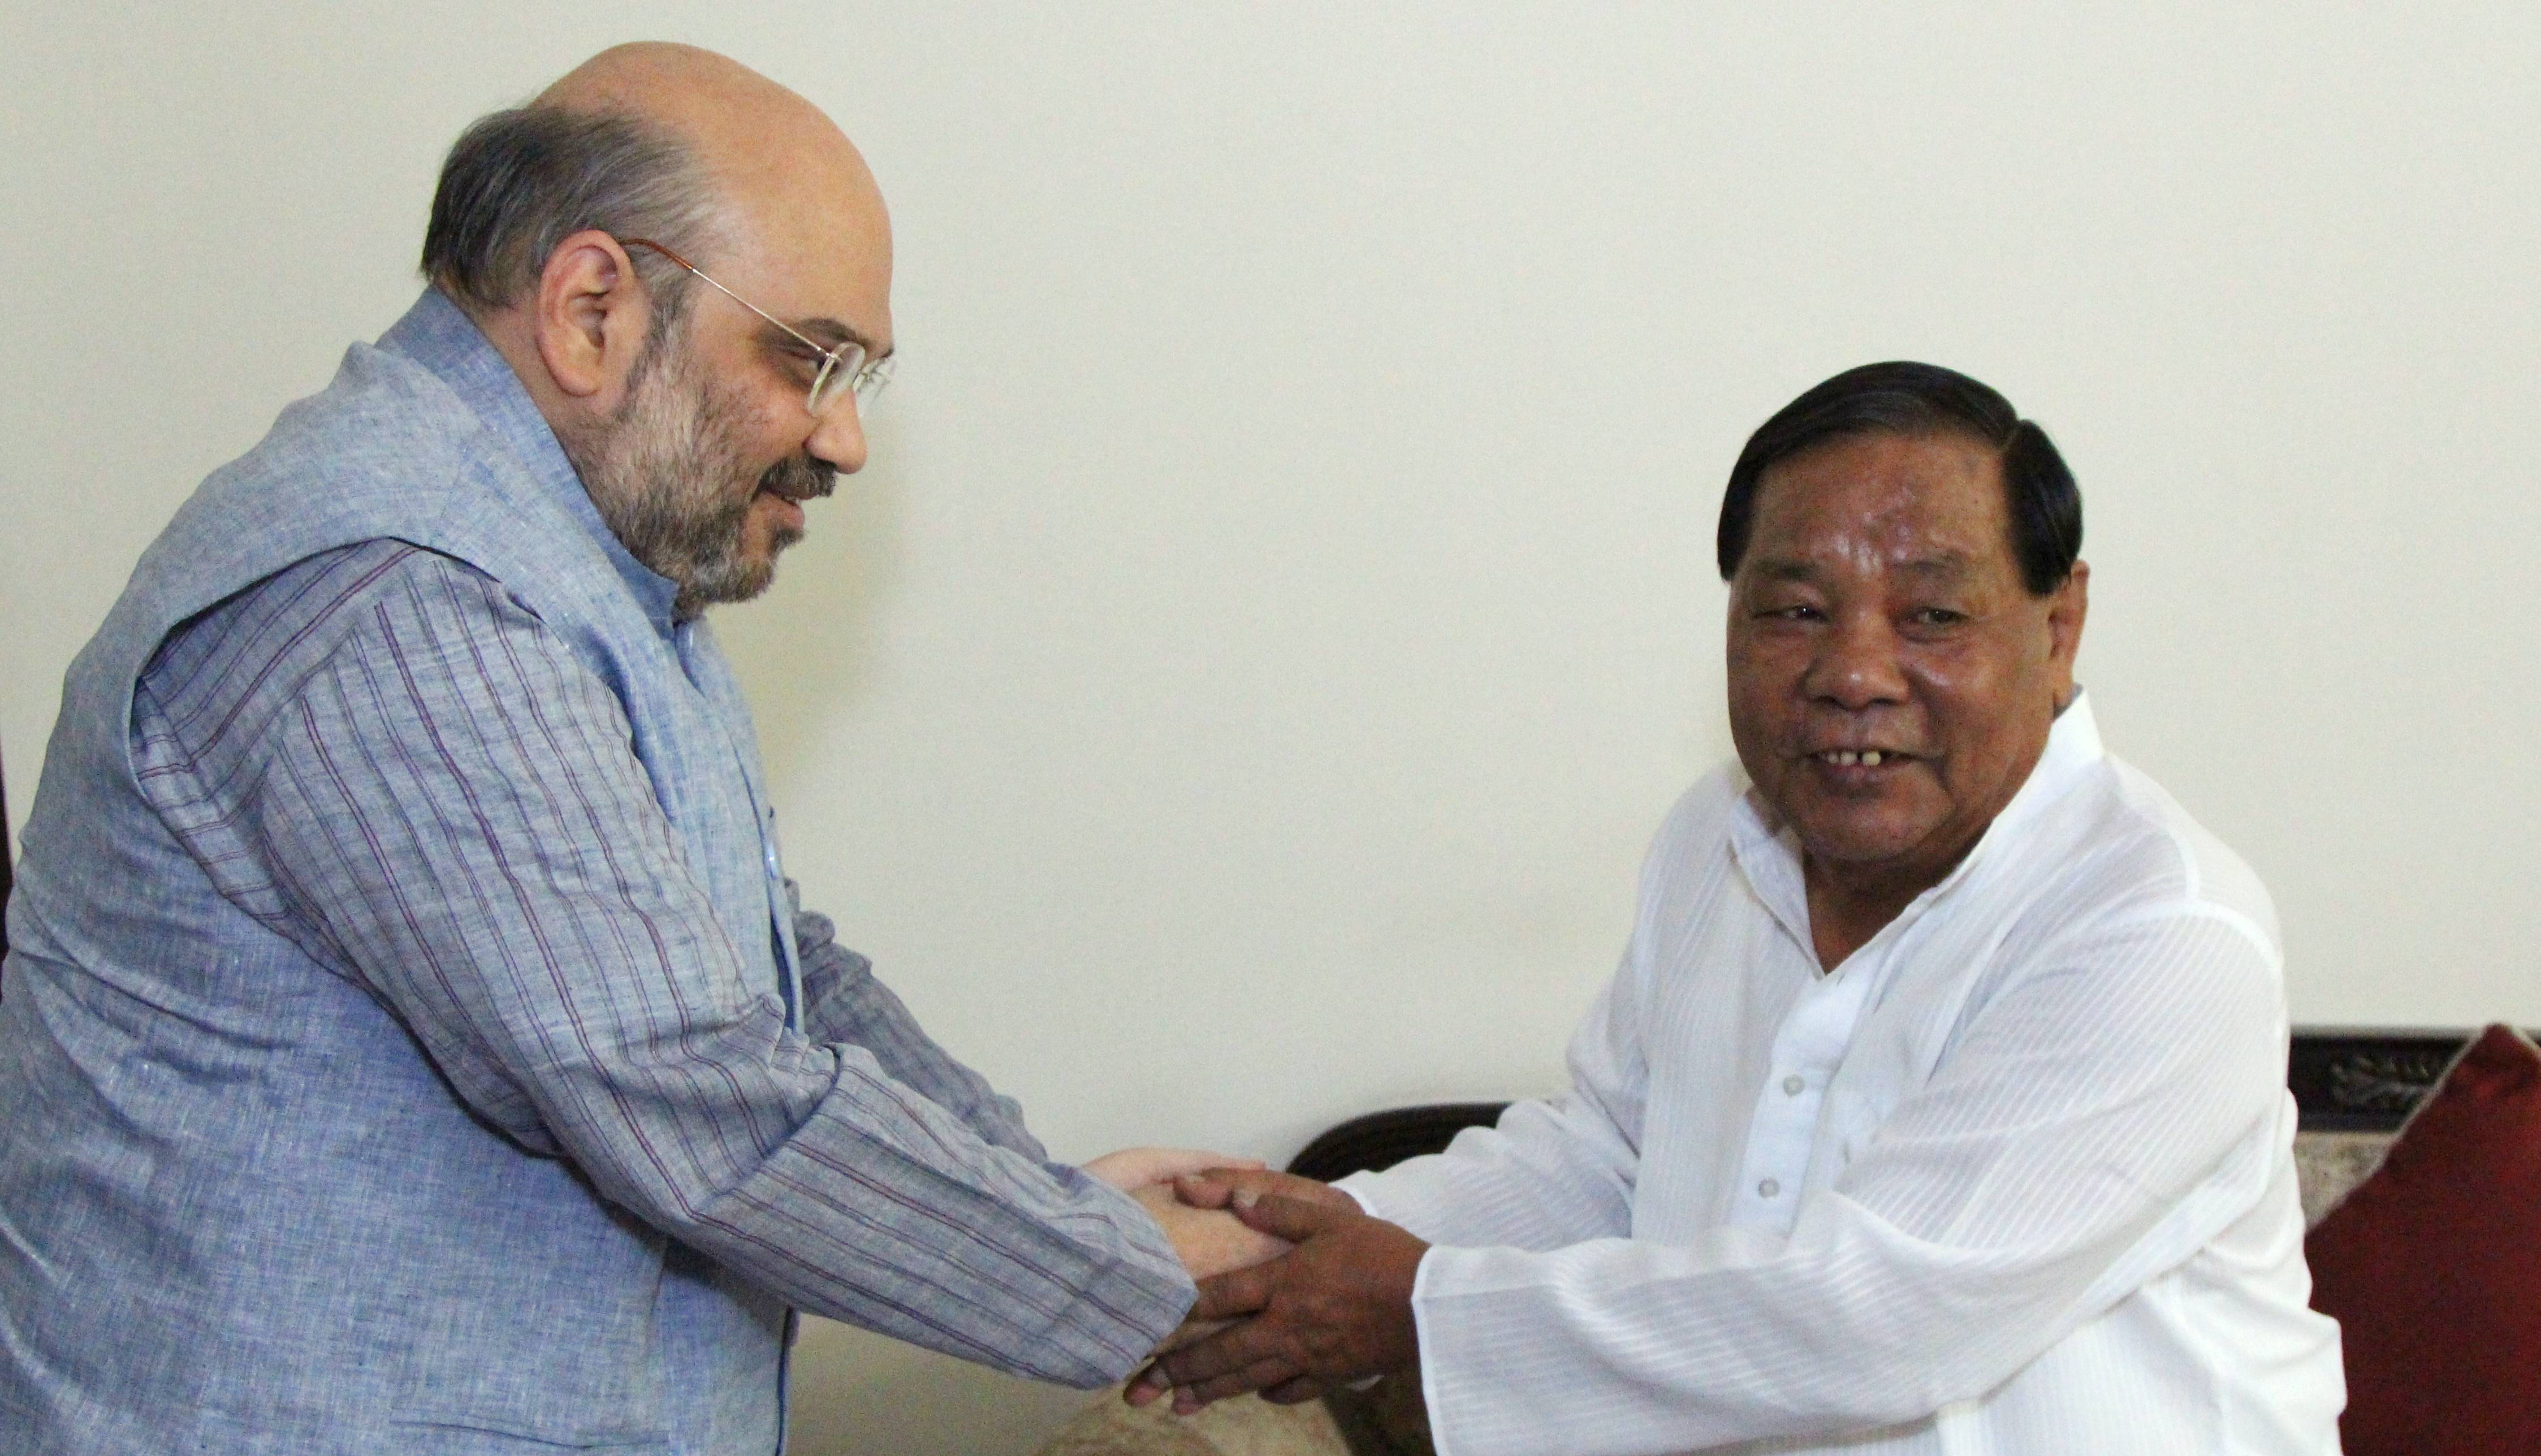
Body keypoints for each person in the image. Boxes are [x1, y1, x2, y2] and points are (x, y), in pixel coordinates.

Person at [0, 43, 1277, 1456]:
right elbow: (683, 1087)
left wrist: (1047, 1196)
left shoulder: (570, 571)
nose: (844, 439)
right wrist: (1121, 1273)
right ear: (593, 307)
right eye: (810, 359)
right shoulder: (399, 596)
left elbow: (772, 972)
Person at [1137, 363, 2346, 1454]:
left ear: (2059, 624)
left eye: (1931, 614)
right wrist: (1290, 1235)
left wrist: (1410, 1306)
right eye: (1795, 610)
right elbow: (1615, 1159)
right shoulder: (1718, 837)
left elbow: (1878, 1317)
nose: (1854, 673)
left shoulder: (2159, 928)